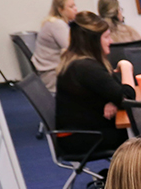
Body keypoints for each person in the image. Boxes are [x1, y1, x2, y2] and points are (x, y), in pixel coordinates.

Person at [55, 11, 135, 156]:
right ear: (92, 41)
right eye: (106, 37)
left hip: (82, 131)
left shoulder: (77, 61)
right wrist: (126, 67)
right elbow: (128, 98)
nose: (111, 41)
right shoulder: (86, 68)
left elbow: (114, 88)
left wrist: (113, 100)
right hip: (83, 138)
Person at [33, 0, 77, 92]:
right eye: (71, 7)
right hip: (52, 71)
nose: (75, 9)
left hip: (50, 67)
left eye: (75, 5)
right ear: (60, 10)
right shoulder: (57, 24)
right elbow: (71, 47)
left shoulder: (53, 22)